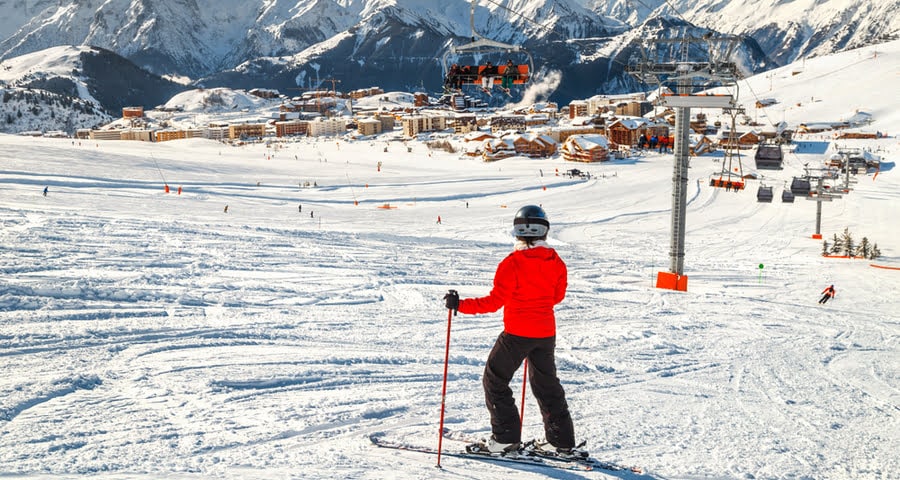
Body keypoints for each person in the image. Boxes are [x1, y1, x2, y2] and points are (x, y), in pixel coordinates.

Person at [443, 205, 584, 458]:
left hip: (517, 333)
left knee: (494, 380)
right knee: (546, 386)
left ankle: (506, 439)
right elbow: (557, 296)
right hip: (545, 334)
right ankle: (561, 442)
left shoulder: (512, 263)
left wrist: (460, 305)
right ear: (545, 233)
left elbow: (494, 301)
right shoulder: (556, 262)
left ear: (517, 234)